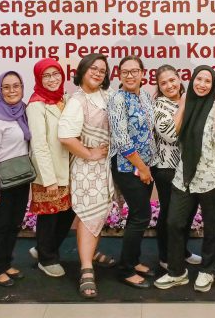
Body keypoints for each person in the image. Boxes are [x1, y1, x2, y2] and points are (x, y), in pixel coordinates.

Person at [154, 66, 215, 293]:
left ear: (212, 84)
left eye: (207, 81)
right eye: (199, 79)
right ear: (192, 80)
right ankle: (177, 272)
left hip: (209, 176)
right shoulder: (187, 104)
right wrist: (184, 104)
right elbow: (173, 135)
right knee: (174, 222)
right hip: (184, 174)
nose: (202, 84)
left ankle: (207, 271)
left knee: (211, 227)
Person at [58, 53, 114, 299]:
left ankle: (90, 253)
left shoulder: (106, 96)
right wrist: (90, 154)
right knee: (89, 214)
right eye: (93, 68)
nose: (98, 73)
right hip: (87, 168)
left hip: (105, 167)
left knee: (99, 213)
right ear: (82, 71)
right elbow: (66, 137)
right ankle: (86, 269)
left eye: (102, 70)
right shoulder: (77, 101)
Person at [108, 55, 157, 289]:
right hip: (128, 167)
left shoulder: (145, 96)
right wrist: (142, 168)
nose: (130, 75)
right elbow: (122, 139)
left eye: (134, 71)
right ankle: (125, 270)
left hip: (146, 167)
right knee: (141, 215)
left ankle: (134, 260)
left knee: (138, 216)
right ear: (119, 75)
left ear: (142, 73)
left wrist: (149, 167)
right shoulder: (117, 99)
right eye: (125, 72)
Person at [0, 71, 31, 288]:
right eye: (6, 87)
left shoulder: (24, 112)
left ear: (22, 87)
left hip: (20, 177)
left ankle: (6, 263)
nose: (12, 91)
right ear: (0, 90)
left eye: (16, 86)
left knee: (13, 224)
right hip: (0, 181)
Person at [27, 58, 75, 278]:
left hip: (69, 168)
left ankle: (43, 249)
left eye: (56, 74)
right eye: (46, 76)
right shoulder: (36, 104)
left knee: (67, 212)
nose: (52, 79)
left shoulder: (65, 99)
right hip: (50, 171)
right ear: (39, 78)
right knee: (49, 216)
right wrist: (49, 179)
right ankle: (47, 260)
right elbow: (39, 145)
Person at [151, 64, 201, 270]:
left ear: (179, 78)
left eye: (172, 80)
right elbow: (171, 135)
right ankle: (165, 256)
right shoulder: (158, 107)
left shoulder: (193, 100)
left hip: (189, 166)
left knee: (189, 211)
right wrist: (182, 105)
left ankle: (182, 250)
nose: (169, 85)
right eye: (163, 83)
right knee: (170, 214)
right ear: (159, 86)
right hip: (167, 168)